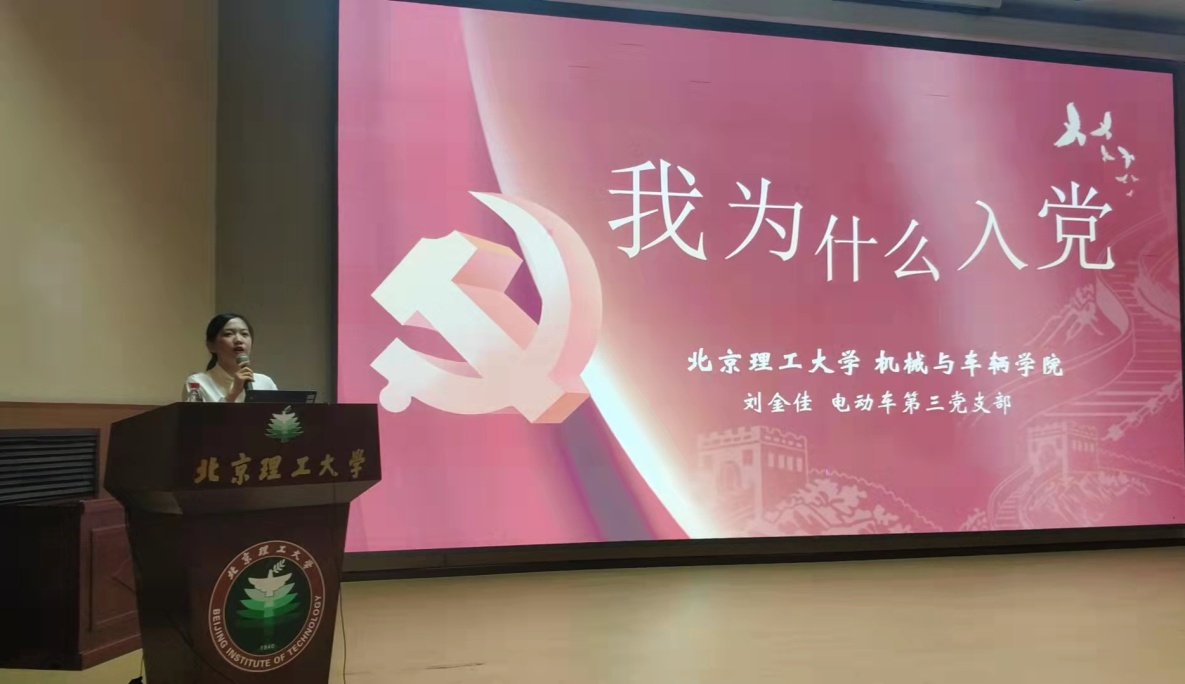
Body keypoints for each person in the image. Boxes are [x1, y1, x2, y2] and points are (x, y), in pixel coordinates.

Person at [183, 313, 277, 403]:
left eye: (244, 334)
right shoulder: (197, 383)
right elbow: (196, 415)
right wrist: (233, 394)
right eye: (228, 334)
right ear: (211, 346)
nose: (238, 340)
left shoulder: (265, 382)